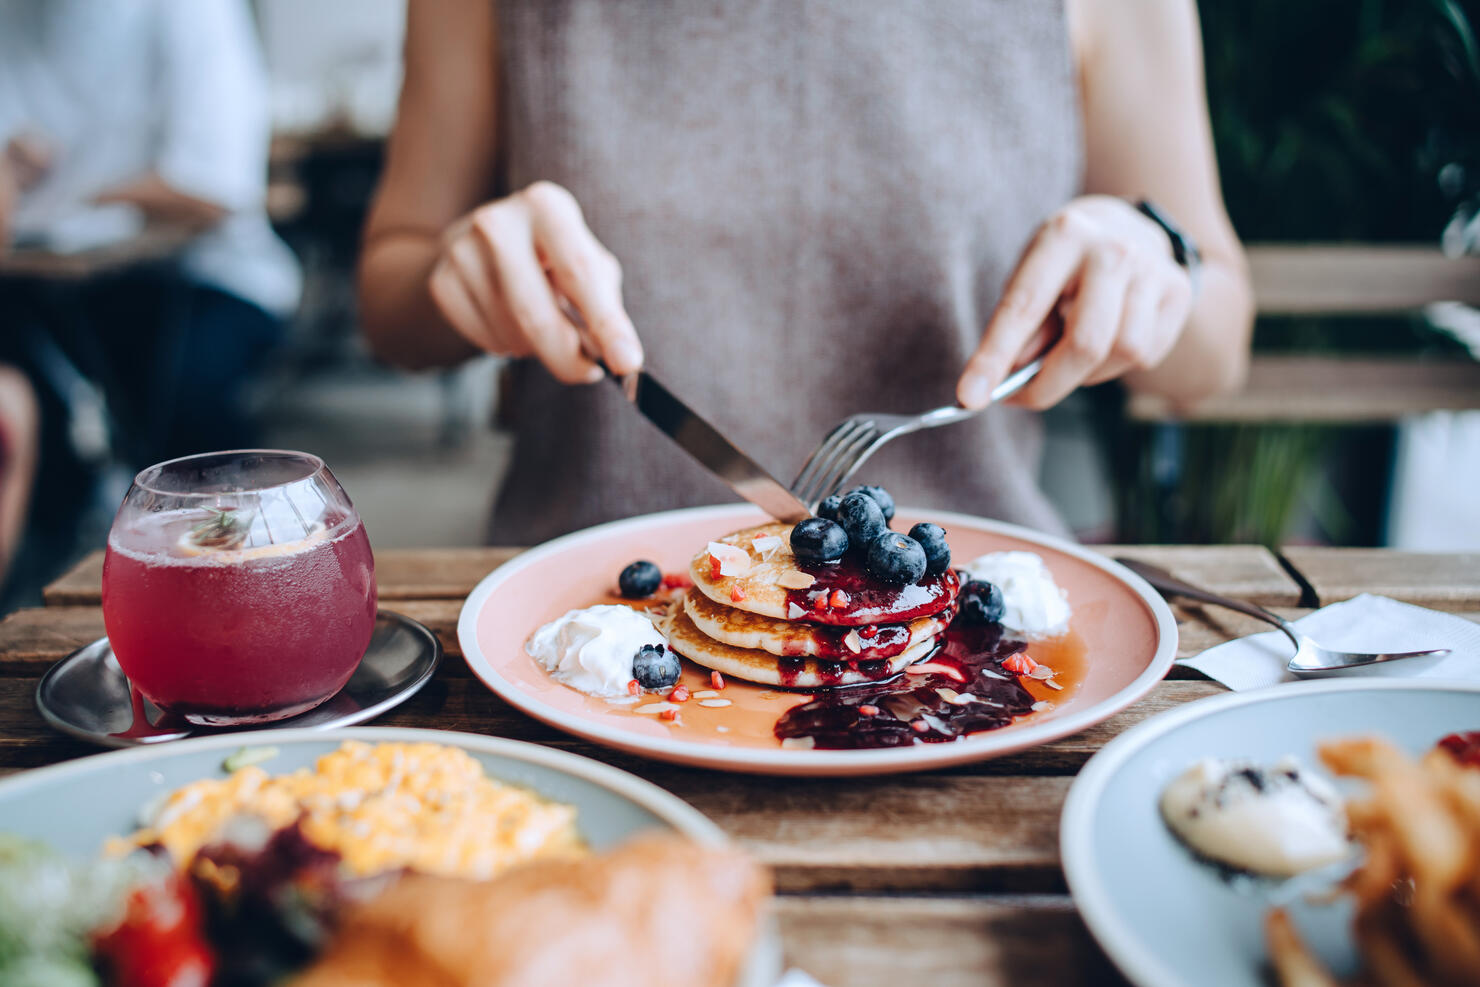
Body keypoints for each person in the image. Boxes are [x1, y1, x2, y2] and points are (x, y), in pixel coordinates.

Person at [359, 0, 1254, 542]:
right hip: (575, 630)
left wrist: (1154, 262)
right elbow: (390, 302)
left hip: (977, 654)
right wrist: (459, 274)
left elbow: (1217, 351)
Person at [0, 0, 301, 468]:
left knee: (183, 412)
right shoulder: (16, 21)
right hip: (56, 286)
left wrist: (72, 200)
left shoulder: (189, 12)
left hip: (208, 278)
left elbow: (213, 187)